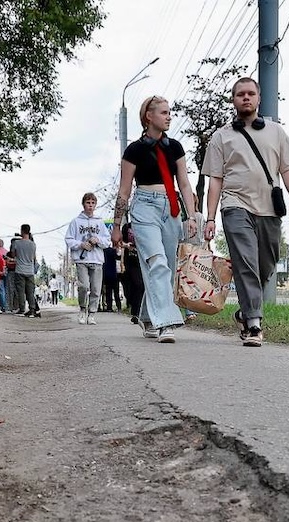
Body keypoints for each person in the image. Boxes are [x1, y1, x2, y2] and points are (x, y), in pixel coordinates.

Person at [201, 77, 289, 346]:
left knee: (266, 264)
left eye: (250, 94)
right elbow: (215, 179)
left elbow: (287, 169)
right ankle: (255, 325)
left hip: (269, 208)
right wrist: (210, 218)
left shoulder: (277, 132)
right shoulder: (221, 136)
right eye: (240, 94)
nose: (245, 98)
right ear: (233, 100)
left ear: (259, 98)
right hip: (235, 205)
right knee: (246, 261)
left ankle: (245, 313)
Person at [110, 95, 198, 343]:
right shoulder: (134, 150)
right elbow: (124, 191)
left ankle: (148, 318)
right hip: (144, 207)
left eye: (170, 112)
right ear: (149, 116)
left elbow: (184, 182)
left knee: (166, 269)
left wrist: (190, 216)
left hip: (171, 208)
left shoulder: (175, 147)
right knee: (157, 262)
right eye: (164, 112)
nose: (169, 116)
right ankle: (166, 323)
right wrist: (116, 226)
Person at [65, 193, 108, 325]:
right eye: (88, 203)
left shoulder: (99, 222)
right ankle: (83, 309)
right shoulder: (76, 222)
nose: (90, 205)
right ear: (83, 204)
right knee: (83, 286)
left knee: (96, 288)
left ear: (95, 205)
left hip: (97, 259)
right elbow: (68, 239)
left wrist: (98, 240)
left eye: (92, 203)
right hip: (81, 259)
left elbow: (107, 241)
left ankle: (92, 313)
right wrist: (81, 244)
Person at [118, 223, 145, 327]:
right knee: (131, 287)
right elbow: (120, 243)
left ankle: (138, 313)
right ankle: (134, 310)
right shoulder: (127, 227)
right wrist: (126, 245)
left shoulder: (146, 225)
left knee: (140, 285)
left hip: (142, 260)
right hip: (129, 261)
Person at [11, 224, 40, 317]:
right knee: (30, 292)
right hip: (30, 271)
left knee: (20, 291)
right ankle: (32, 310)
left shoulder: (17, 243)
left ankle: (22, 309)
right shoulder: (33, 244)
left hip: (20, 269)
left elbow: (13, 254)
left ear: (22, 231)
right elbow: (33, 257)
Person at [101, 245, 121, 312]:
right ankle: (119, 306)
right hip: (113, 273)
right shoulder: (113, 251)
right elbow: (118, 258)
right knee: (116, 291)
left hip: (105, 273)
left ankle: (109, 307)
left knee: (108, 291)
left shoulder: (103, 251)